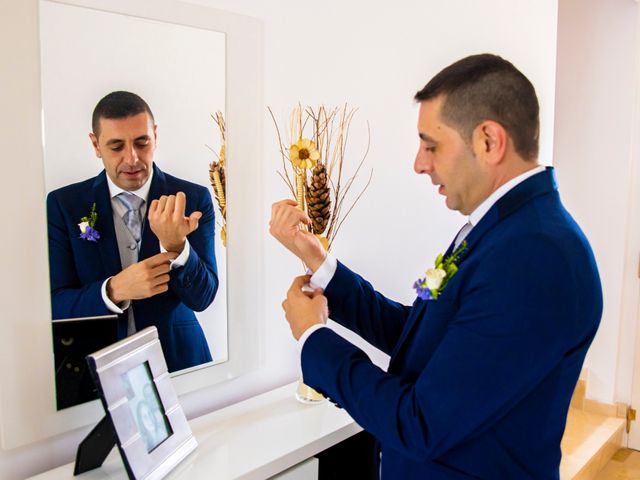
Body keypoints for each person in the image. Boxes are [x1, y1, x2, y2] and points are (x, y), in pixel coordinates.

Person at [270, 54, 602, 479]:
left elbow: (421, 423)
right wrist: (321, 264)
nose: (419, 163)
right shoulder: (493, 231)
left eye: (431, 145)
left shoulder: (536, 256)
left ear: (488, 141)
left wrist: (313, 338)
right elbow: (419, 335)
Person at [47, 91, 218, 375]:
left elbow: (204, 297)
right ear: (95, 144)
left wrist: (176, 246)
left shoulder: (193, 198)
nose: (132, 158)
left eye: (142, 142)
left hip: (180, 363)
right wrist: (114, 290)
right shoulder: (64, 205)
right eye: (116, 147)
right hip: (96, 370)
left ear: (155, 136)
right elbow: (55, 304)